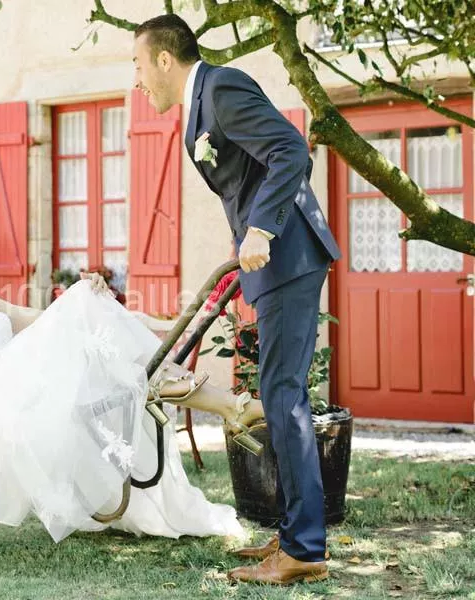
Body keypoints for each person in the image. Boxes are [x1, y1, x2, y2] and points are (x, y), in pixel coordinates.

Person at [0, 219, 265, 543]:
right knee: (106, 347)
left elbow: (48, 319)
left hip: (26, 383)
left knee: (98, 328)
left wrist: (95, 297)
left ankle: (228, 403)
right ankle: (234, 407)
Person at [131, 14, 341, 585]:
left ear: (165, 60)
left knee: (283, 396)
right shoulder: (199, 109)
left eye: (139, 65)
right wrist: (247, 237)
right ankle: (294, 534)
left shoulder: (220, 88)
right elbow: (249, 180)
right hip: (274, 266)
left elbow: (291, 150)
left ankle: (303, 550)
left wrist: (262, 230)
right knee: (278, 395)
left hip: (289, 257)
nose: (138, 80)